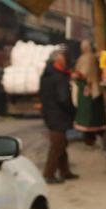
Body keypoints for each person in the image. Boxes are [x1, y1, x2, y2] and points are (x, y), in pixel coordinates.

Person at [38, 50, 78, 184]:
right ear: (58, 61)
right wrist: (72, 111)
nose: (65, 61)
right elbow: (63, 99)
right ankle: (49, 174)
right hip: (57, 115)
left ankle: (65, 171)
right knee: (57, 145)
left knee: (61, 143)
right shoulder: (58, 77)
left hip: (50, 113)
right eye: (63, 59)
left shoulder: (47, 75)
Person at [72, 40, 106, 145]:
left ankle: (90, 137)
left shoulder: (85, 58)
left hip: (86, 89)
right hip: (95, 88)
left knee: (87, 114)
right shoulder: (93, 57)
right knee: (96, 113)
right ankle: (97, 134)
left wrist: (75, 75)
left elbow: (83, 73)